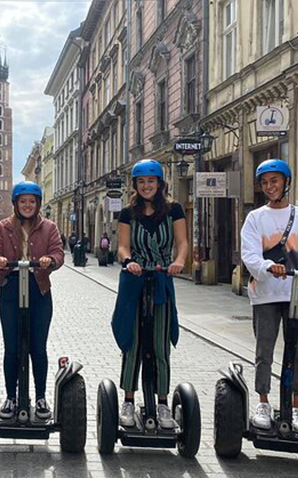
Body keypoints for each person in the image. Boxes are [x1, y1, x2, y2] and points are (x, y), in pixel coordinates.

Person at [241, 159, 298, 435]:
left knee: (297, 351)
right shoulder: (255, 218)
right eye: (265, 182)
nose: (270, 187)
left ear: (286, 183)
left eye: (275, 181)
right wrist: (268, 266)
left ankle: (296, 406)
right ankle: (263, 402)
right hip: (266, 293)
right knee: (264, 350)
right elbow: (250, 255)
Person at [114, 159, 188, 429]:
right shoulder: (127, 213)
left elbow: (182, 243)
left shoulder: (174, 210)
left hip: (160, 281)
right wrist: (128, 261)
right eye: (142, 182)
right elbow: (122, 246)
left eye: (151, 181)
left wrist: (179, 261)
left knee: (159, 345)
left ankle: (163, 403)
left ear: (160, 184)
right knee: (132, 344)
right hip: (133, 281)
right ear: (135, 185)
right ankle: (129, 400)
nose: (147, 186)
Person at [0, 181, 64, 421]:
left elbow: (58, 253)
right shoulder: (2, 227)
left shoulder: (49, 227)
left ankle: (40, 397)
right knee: (12, 348)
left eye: (32, 201)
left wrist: (49, 260)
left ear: (38, 203)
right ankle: (11, 397)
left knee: (37, 348)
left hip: (39, 290)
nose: (28, 205)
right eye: (23, 201)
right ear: (16, 204)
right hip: (11, 289)